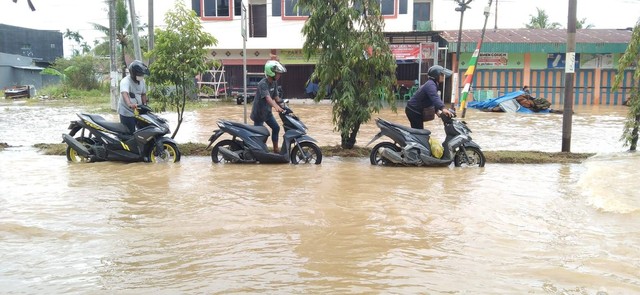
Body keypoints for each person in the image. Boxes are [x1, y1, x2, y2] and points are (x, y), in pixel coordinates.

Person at [250, 60, 286, 153]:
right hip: (259, 114)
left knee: (276, 128)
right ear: (271, 72)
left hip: (267, 113)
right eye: (278, 73)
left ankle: (275, 149)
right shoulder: (263, 84)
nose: (279, 75)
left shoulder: (274, 83)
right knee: (260, 134)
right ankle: (258, 151)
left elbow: (276, 97)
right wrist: (276, 107)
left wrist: (284, 105)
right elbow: (268, 98)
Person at [405, 65, 453, 129]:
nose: (443, 76)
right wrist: (443, 108)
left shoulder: (433, 84)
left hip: (416, 110)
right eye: (442, 74)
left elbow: (431, 99)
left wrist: (436, 111)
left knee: (419, 130)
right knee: (419, 132)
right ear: (437, 75)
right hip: (413, 110)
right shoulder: (431, 85)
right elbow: (434, 97)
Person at [118, 60, 150, 133]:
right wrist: (130, 104)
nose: (141, 76)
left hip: (138, 110)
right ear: (133, 73)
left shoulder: (142, 81)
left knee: (143, 131)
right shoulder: (125, 81)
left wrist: (145, 105)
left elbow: (143, 94)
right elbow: (124, 94)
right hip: (127, 111)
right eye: (139, 74)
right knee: (129, 132)